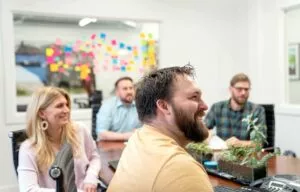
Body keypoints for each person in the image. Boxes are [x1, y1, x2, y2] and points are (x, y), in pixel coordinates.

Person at [108, 65, 213, 192]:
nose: (205, 106)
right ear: (164, 106)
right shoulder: (182, 170)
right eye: (194, 97)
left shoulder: (138, 138)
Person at [18, 87, 101, 192]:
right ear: (42, 113)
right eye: (59, 106)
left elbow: (94, 157)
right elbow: (28, 189)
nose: (66, 110)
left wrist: (91, 177)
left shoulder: (79, 130)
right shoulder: (29, 148)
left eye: (66, 105)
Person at [204, 73, 266, 147]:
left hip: (247, 155)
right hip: (221, 153)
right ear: (230, 89)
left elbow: (259, 143)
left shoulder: (257, 110)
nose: (243, 93)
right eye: (239, 89)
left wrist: (239, 143)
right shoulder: (217, 107)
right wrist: (208, 135)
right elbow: (203, 130)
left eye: (246, 89)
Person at [96, 76, 141, 141]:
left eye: (131, 88)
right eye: (125, 89)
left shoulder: (139, 105)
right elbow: (101, 134)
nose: (129, 91)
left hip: (133, 145)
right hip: (110, 146)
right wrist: (126, 136)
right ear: (117, 92)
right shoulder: (108, 106)